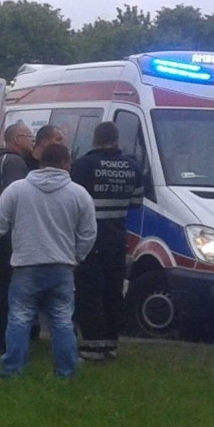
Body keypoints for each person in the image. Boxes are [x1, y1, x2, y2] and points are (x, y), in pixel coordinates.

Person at [0, 143, 97, 379]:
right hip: (62, 266)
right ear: (66, 163)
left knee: (19, 319)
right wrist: (77, 256)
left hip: (26, 265)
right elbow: (88, 233)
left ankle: (11, 373)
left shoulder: (17, 190)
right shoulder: (79, 194)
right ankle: (65, 373)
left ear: (41, 160)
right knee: (62, 321)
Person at [0, 124, 65, 351]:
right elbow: (17, 202)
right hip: (7, 237)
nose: (33, 141)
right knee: (7, 291)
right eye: (29, 137)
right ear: (17, 139)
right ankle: (1, 341)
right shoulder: (14, 162)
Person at [70, 122, 144, 361]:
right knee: (113, 292)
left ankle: (92, 347)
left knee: (89, 291)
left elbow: (72, 201)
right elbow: (136, 202)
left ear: (95, 139)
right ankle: (111, 344)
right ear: (117, 138)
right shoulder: (133, 166)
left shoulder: (83, 166)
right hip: (118, 237)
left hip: (89, 238)